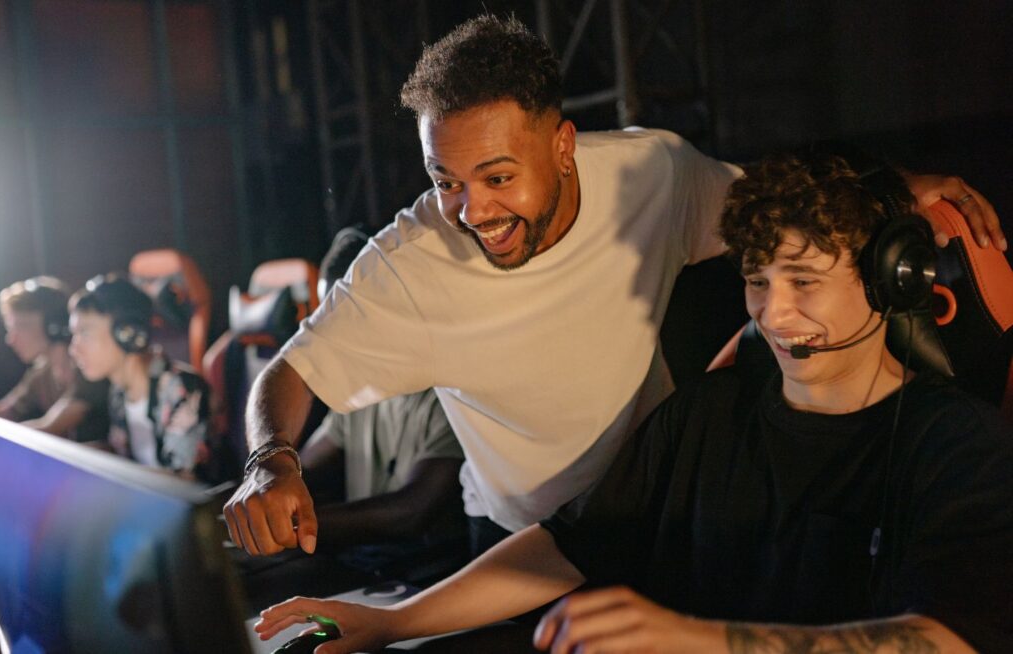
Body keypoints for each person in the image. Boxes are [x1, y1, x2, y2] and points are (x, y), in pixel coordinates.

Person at [225, 15, 1007, 559]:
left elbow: (775, 211)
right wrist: (271, 460)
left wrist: (893, 187)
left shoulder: (650, 173)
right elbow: (291, 371)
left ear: (564, 146)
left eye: (497, 177)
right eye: (445, 180)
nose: (472, 211)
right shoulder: (409, 263)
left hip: (661, 511)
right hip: (522, 544)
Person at [253, 150, 1013, 654]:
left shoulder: (956, 446)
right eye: (757, 281)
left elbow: (948, 639)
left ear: (889, 282)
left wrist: (698, 641)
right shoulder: (705, 415)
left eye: (804, 281)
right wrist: (393, 623)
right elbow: (569, 546)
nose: (772, 314)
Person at [299, 226, 467, 572]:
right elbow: (303, 469)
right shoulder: (358, 387)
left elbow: (412, 512)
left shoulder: (449, 392)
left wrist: (294, 528)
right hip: (364, 563)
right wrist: (257, 493)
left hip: (423, 575)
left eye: (346, 318)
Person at [68, 274, 212, 480]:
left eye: (85, 333)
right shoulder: (119, 391)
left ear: (128, 333)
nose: (74, 349)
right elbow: (123, 455)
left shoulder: (182, 388)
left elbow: (186, 482)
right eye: (74, 335)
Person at [0, 276, 109, 443]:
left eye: (20, 326)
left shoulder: (89, 369)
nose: (10, 339)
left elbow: (49, 428)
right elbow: (4, 410)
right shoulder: (41, 373)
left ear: (54, 325)